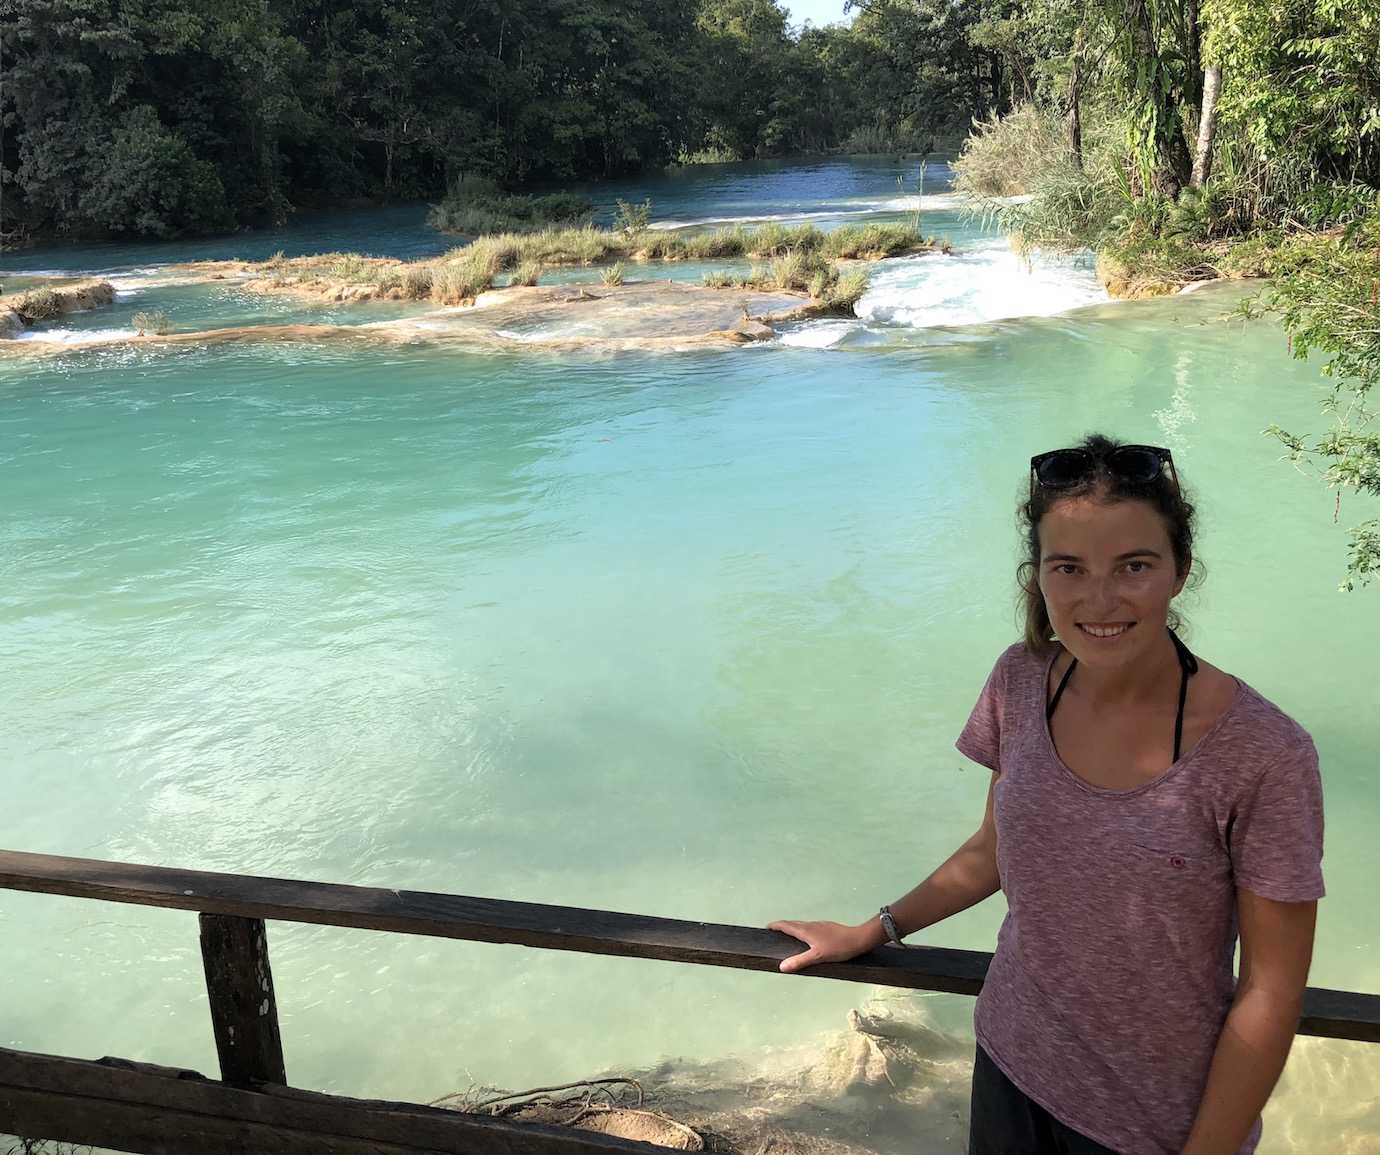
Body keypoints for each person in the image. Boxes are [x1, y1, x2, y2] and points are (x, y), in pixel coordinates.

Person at [767, 434, 1325, 1155]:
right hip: (1009, 1060)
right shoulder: (1021, 681)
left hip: (1152, 1124)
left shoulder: (1265, 752)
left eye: (1134, 566)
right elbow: (993, 847)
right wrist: (871, 931)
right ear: (1039, 577)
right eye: (1070, 568)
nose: (1100, 600)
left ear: (1181, 571)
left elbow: (1272, 990)